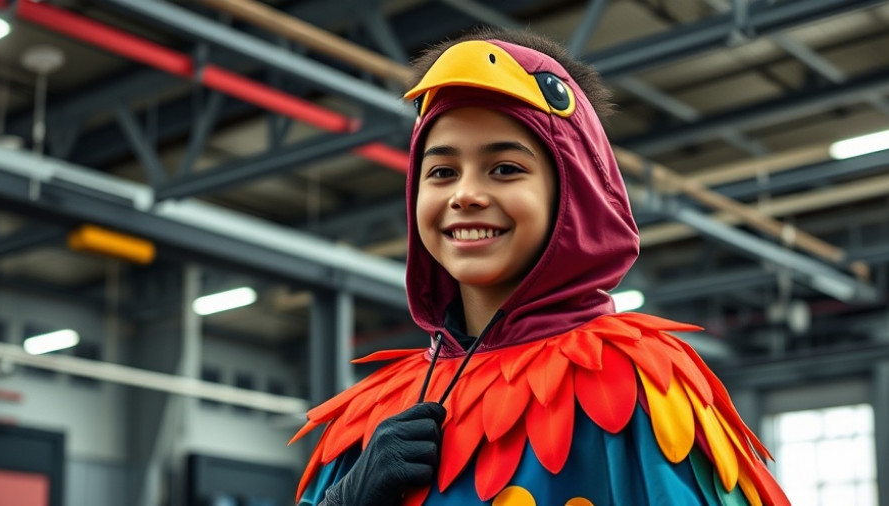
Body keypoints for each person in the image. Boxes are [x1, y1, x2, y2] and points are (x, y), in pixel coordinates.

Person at [290, 28, 790, 506]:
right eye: (441, 171)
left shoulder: (637, 383)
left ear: (571, 192)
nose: (465, 194)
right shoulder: (368, 415)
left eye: (505, 168)